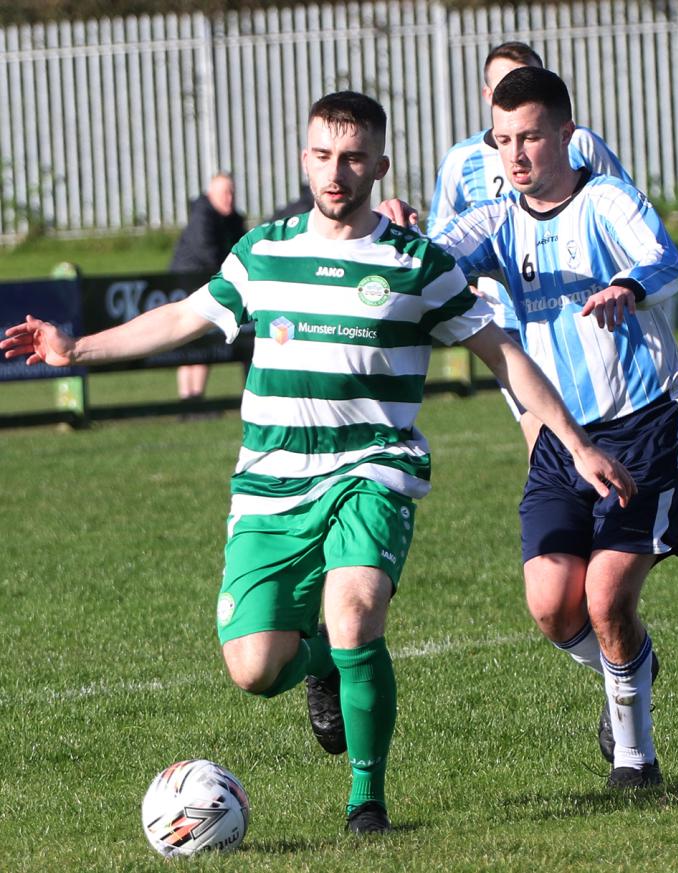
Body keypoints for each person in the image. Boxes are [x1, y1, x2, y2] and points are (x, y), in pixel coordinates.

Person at [2, 90, 635, 832]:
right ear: (305, 158)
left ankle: (367, 802)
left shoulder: (416, 266)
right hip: (270, 488)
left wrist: (576, 440)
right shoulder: (264, 252)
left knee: (356, 611)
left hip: (372, 472)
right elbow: (182, 318)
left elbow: (502, 353)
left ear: (380, 164)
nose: (338, 172)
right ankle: (325, 664)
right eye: (324, 156)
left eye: (355, 157)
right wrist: (76, 349)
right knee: (254, 668)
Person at [422, 66, 678, 789]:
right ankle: (627, 664)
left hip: (644, 422)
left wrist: (627, 287)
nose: (515, 155)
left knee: (607, 598)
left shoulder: (605, 198)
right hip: (562, 437)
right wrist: (400, 236)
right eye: (504, 140)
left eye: (531, 137)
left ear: (567, 137)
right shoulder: (497, 216)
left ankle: (635, 761)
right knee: (551, 606)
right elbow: (433, 260)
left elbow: (666, 260)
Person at [428, 42, 634, 456]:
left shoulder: (583, 145)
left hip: (584, 310)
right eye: (506, 84)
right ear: (489, 96)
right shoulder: (460, 161)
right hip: (507, 318)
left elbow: (624, 210)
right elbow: (442, 234)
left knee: (600, 432)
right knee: (539, 433)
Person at [170, 172, 246, 405]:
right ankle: (189, 399)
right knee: (193, 341)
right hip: (188, 284)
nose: (229, 198)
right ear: (211, 194)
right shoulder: (203, 217)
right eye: (224, 192)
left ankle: (195, 400)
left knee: (204, 341)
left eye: (232, 192)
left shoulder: (233, 219)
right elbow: (209, 253)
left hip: (209, 283)